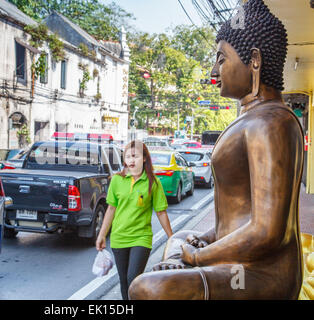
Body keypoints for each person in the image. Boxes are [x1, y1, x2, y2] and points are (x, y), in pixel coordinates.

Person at [129, 0, 304, 300]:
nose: (214, 70)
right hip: (240, 253)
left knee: (147, 289)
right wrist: (207, 239)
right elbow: (237, 216)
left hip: (262, 269)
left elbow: (267, 232)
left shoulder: (271, 122)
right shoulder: (254, 116)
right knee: (181, 236)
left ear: (255, 60)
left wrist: (199, 258)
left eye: (221, 59)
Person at [95, 140, 174, 300]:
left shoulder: (153, 182)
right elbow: (111, 209)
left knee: (133, 280)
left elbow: (161, 213)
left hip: (141, 238)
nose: (131, 160)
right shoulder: (117, 180)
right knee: (124, 282)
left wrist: (172, 238)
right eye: (128, 157)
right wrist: (102, 235)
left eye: (135, 156)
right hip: (119, 238)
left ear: (144, 158)